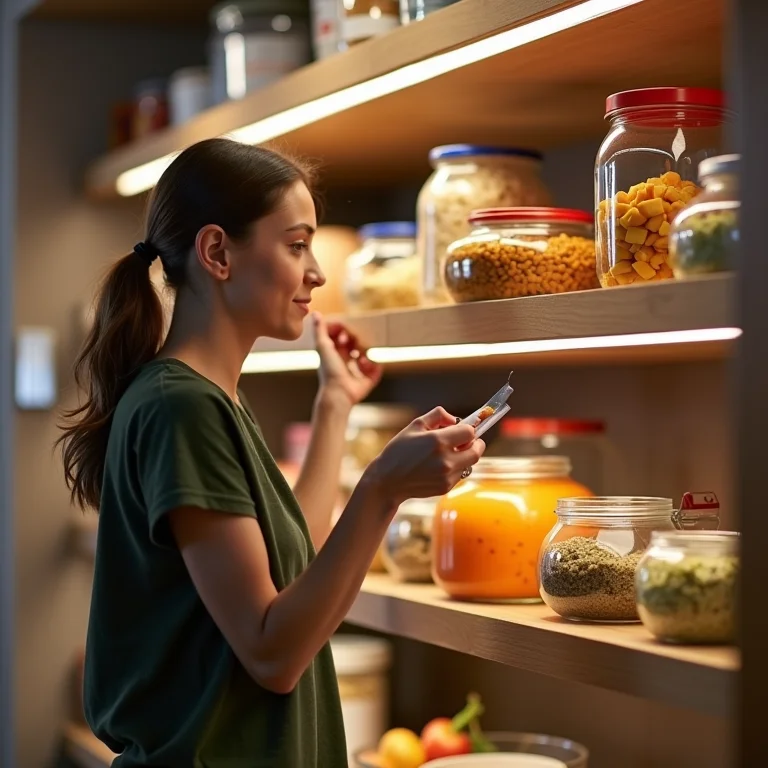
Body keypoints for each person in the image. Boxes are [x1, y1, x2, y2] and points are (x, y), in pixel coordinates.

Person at [57, 137, 484, 768]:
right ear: (217, 252)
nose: (317, 271)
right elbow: (272, 654)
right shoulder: (182, 406)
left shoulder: (210, 400)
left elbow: (294, 569)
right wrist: (381, 490)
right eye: (295, 244)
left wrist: (334, 404)